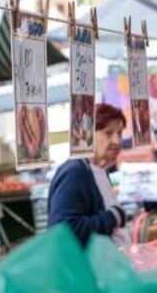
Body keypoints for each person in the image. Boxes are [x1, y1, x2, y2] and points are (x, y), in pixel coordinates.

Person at [48, 103, 129, 246]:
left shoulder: (99, 170)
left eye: (120, 133)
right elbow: (63, 232)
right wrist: (113, 217)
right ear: (88, 135)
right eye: (108, 133)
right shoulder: (75, 172)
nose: (117, 141)